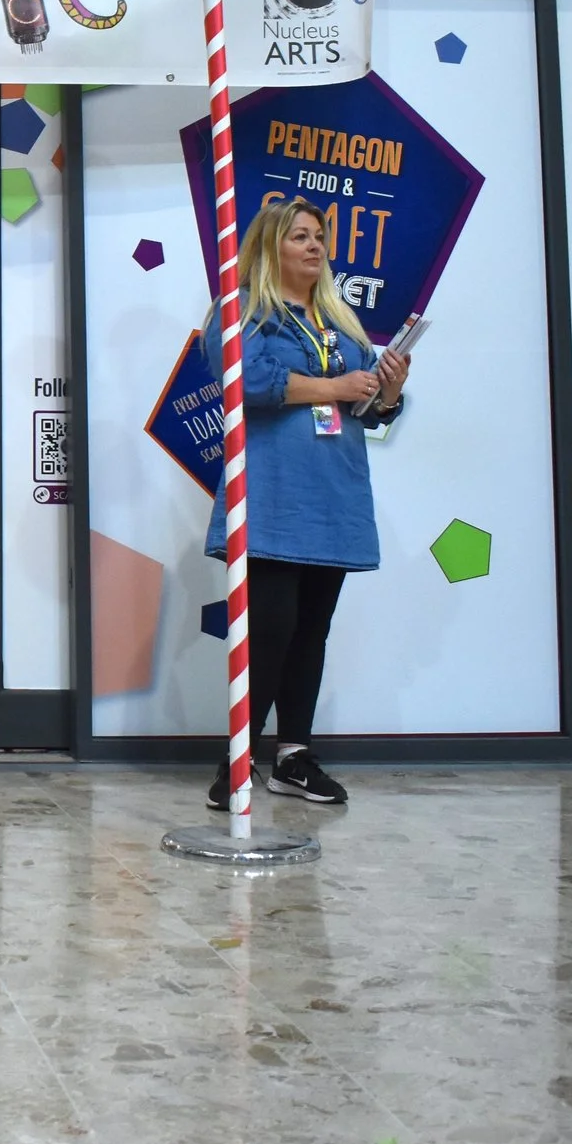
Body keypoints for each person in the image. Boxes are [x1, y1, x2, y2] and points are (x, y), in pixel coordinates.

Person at [202, 198, 408, 811]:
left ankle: (293, 756)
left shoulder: (339, 321)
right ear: (271, 247)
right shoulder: (242, 311)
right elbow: (245, 380)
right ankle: (237, 760)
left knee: (311, 630)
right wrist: (335, 386)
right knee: (269, 628)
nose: (315, 246)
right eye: (300, 237)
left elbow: (368, 409)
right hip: (272, 496)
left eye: (319, 236)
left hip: (333, 494)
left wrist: (387, 391)